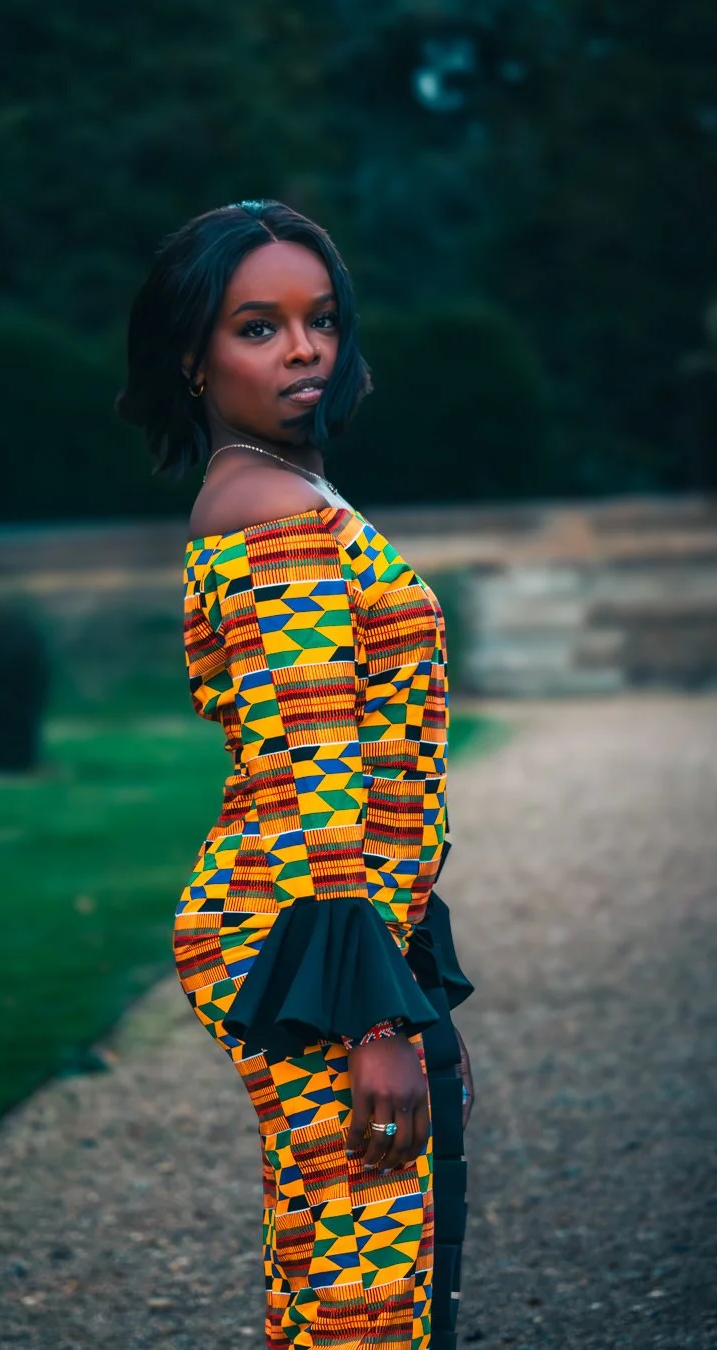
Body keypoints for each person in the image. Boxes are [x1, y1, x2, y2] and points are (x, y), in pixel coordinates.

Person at [117, 199, 475, 1350]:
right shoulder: (275, 519)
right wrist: (375, 1014)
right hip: (307, 938)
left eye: (319, 319)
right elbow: (310, 769)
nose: (305, 349)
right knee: (365, 1270)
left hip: (322, 924)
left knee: (330, 1239)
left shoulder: (277, 490)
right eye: (257, 328)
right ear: (192, 356)